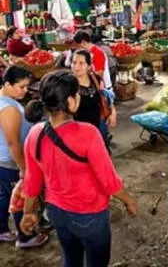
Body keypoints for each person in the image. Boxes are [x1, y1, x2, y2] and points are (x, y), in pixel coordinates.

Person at [20, 71, 137, 266]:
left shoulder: (35, 134)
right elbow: (109, 181)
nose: (79, 96)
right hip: (89, 214)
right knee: (97, 261)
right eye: (77, 93)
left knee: (71, 257)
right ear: (70, 101)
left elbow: (32, 180)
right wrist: (129, 200)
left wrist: (27, 212)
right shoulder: (88, 134)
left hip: (56, 212)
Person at [0, 66, 48, 248]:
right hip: (11, 161)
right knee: (20, 198)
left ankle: (2, 230)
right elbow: (14, 143)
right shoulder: (8, 109)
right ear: (7, 84)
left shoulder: (5, 100)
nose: (25, 91)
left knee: (4, 196)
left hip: (3, 160)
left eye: (27, 86)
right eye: (21, 87)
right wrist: (24, 169)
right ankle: (25, 237)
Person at [71, 50, 117, 151]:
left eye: (81, 63)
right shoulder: (69, 84)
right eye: (74, 63)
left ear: (89, 66)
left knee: (102, 155)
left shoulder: (95, 79)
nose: (76, 67)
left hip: (99, 127)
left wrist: (112, 111)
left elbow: (105, 96)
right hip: (79, 133)